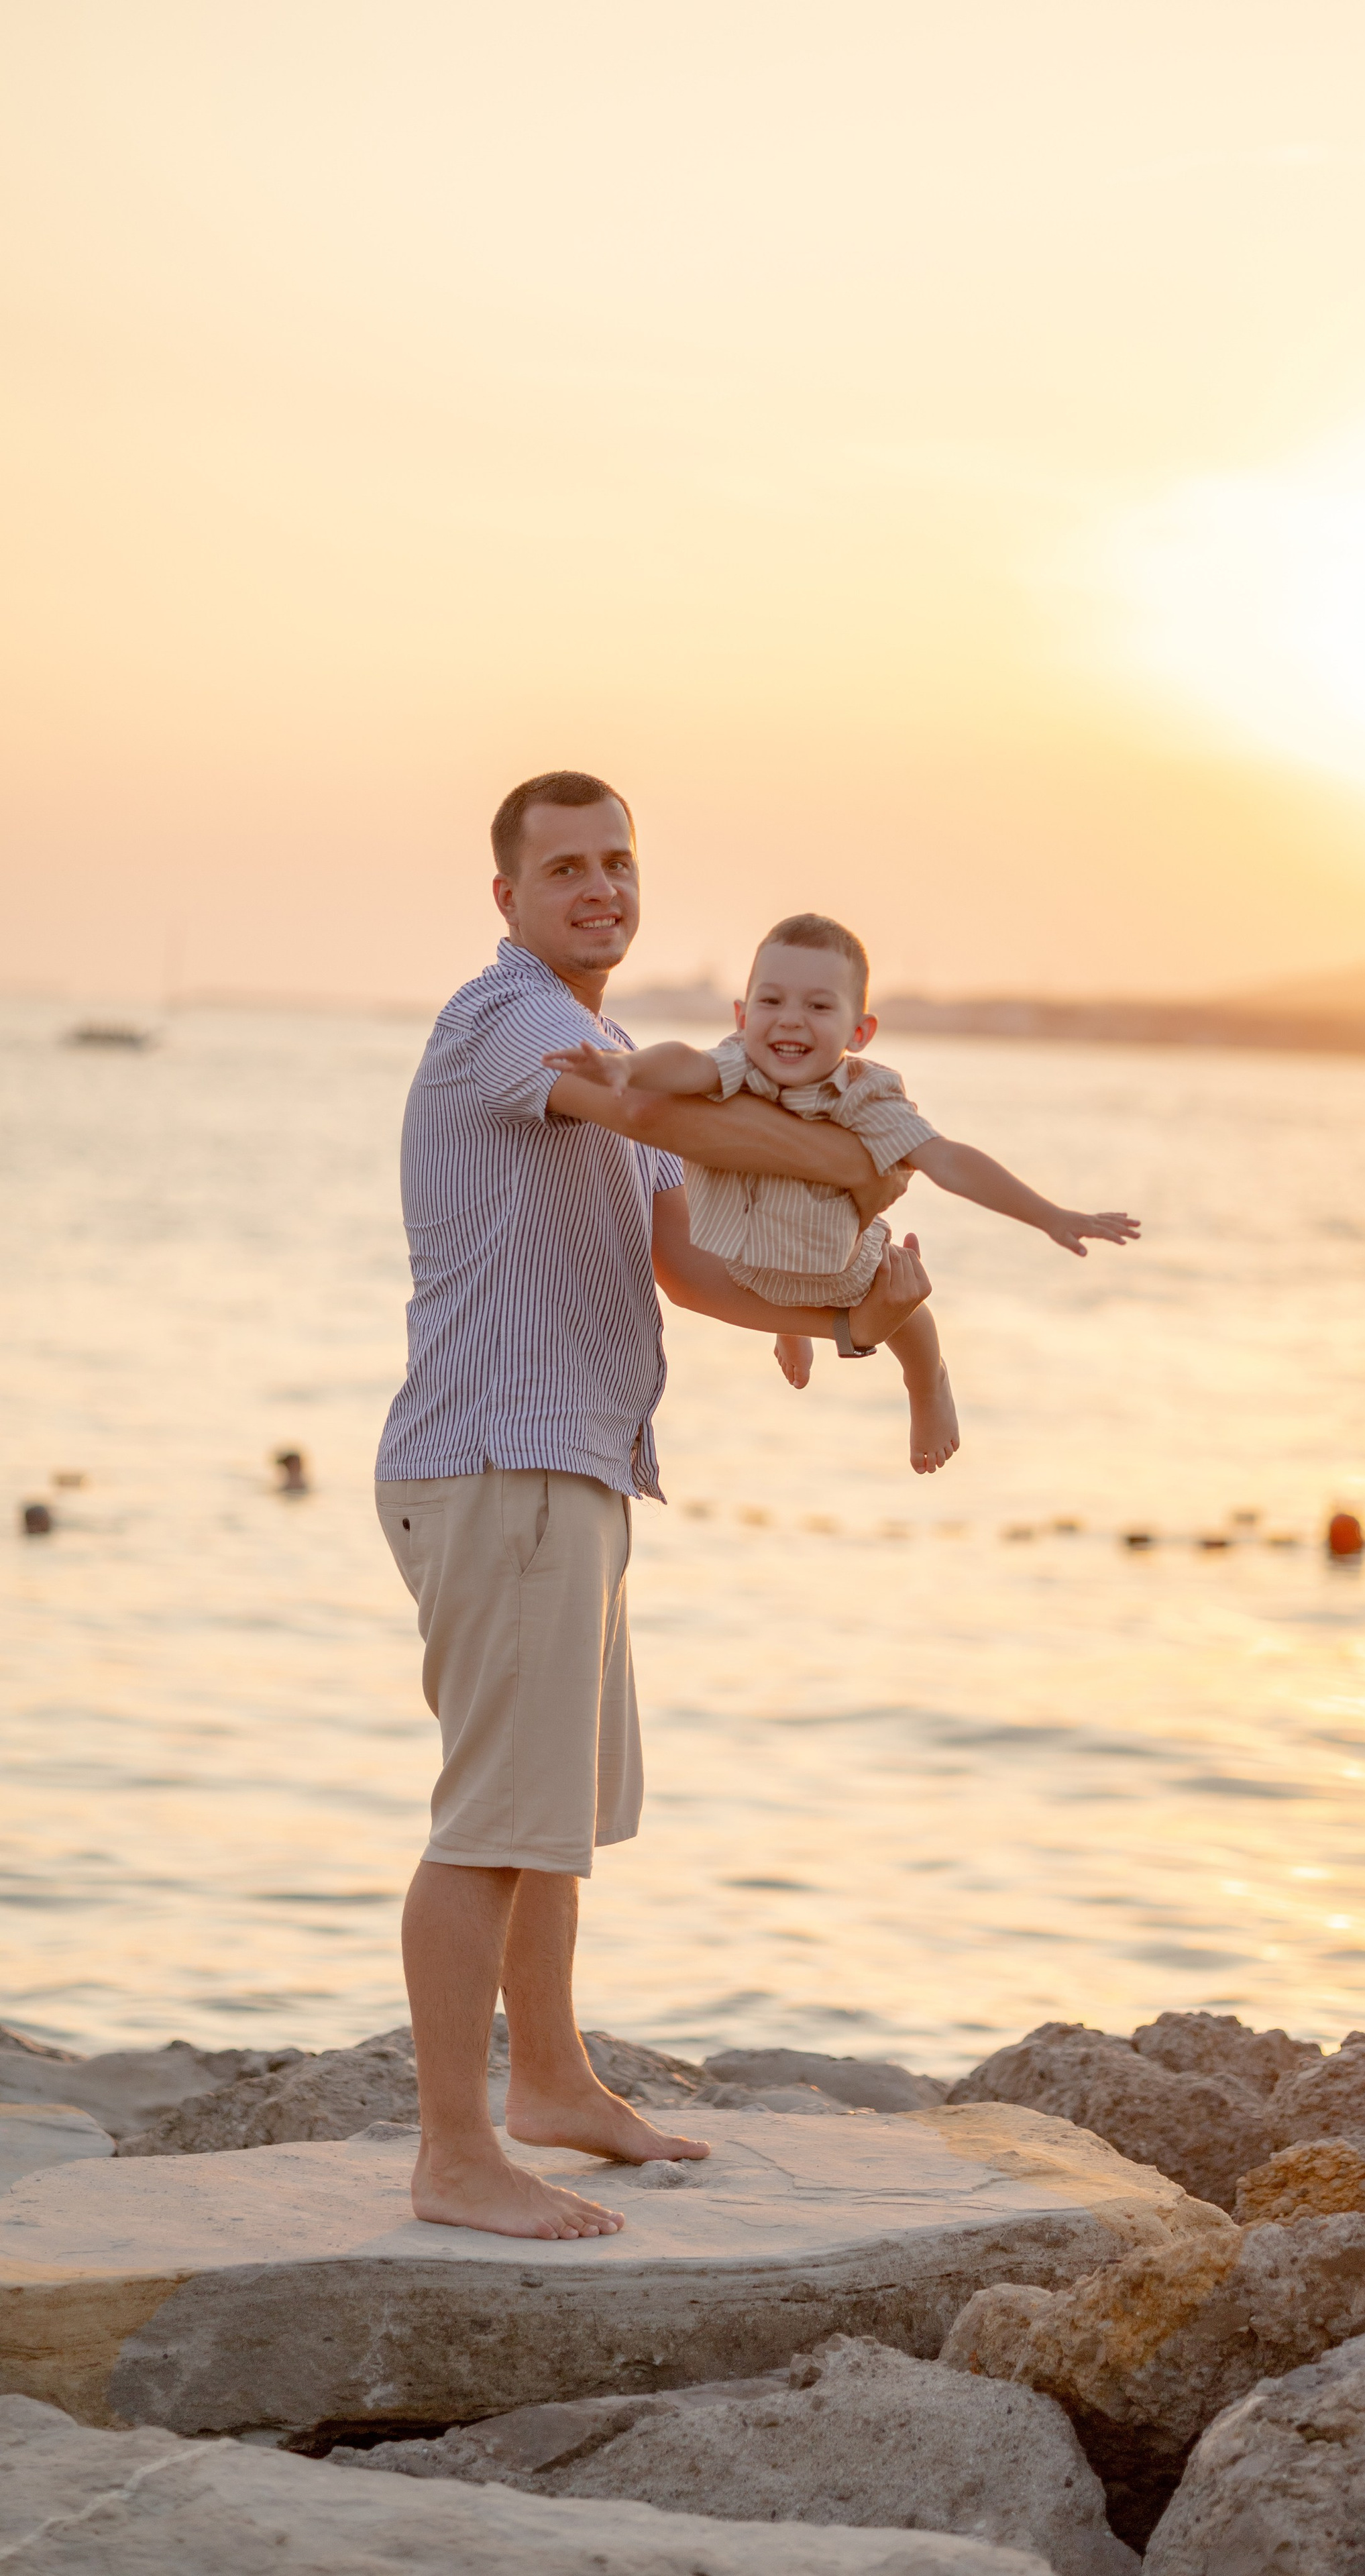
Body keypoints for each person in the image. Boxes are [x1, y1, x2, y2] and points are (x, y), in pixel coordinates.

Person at [374, 771, 929, 2242]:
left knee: (548, 1815)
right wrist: (876, 1154)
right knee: (489, 1823)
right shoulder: (512, 1022)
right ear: (508, 899)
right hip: (502, 1462)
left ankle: (548, 2086)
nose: (600, 889)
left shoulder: (612, 1048)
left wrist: (860, 1316)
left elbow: (685, 1267)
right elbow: (677, 1128)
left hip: (576, 1462)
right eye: (564, 869)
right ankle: (451, 2156)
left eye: (618, 862)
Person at [547, 912, 1138, 1475]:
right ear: (741, 1013)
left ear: (859, 1031)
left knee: (907, 1308)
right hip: (747, 1262)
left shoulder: (862, 1094)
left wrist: (1048, 1215)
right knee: (770, 1247)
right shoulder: (739, 1064)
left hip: (843, 1266)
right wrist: (628, 1068)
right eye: (771, 1001)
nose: (790, 1020)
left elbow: (949, 1159)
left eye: (819, 1006)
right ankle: (791, 1326)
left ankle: (927, 1384)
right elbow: (686, 1063)